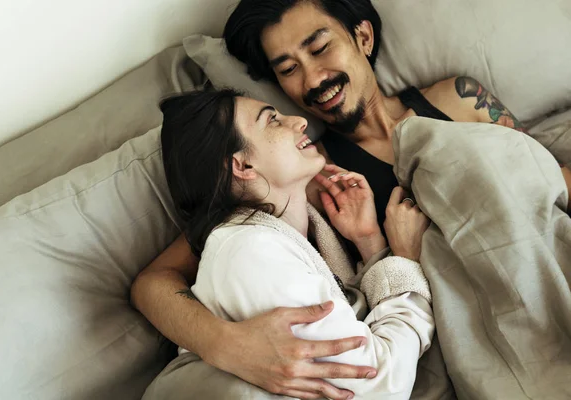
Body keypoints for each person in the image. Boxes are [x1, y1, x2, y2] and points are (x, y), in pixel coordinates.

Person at [132, 0, 571, 398]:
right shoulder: (308, 178)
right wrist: (224, 345)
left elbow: (542, 180)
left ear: (363, 37)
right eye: (288, 69)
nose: (312, 79)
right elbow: (154, 281)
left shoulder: (461, 100)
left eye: (319, 48)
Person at [142, 89, 433, 399]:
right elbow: (381, 384)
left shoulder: (292, 233)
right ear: (243, 166)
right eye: (273, 120)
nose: (299, 122)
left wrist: (369, 241)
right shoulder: (249, 251)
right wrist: (406, 265)